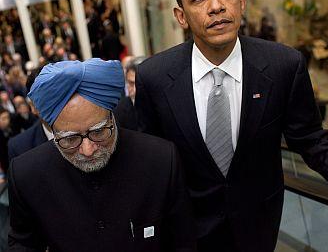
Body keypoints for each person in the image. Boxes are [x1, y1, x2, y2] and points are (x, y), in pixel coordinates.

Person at [135, 0, 328, 252]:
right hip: (187, 231)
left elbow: (313, 141)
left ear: (242, 2)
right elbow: (150, 162)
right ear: (181, 16)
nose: (216, 6)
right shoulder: (153, 78)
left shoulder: (284, 66)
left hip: (258, 226)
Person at [7, 58, 196, 252]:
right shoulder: (26, 174)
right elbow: (22, 245)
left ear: (112, 117)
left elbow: (183, 242)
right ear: (52, 131)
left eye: (98, 132)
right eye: (71, 139)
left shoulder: (160, 159)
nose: (88, 150)